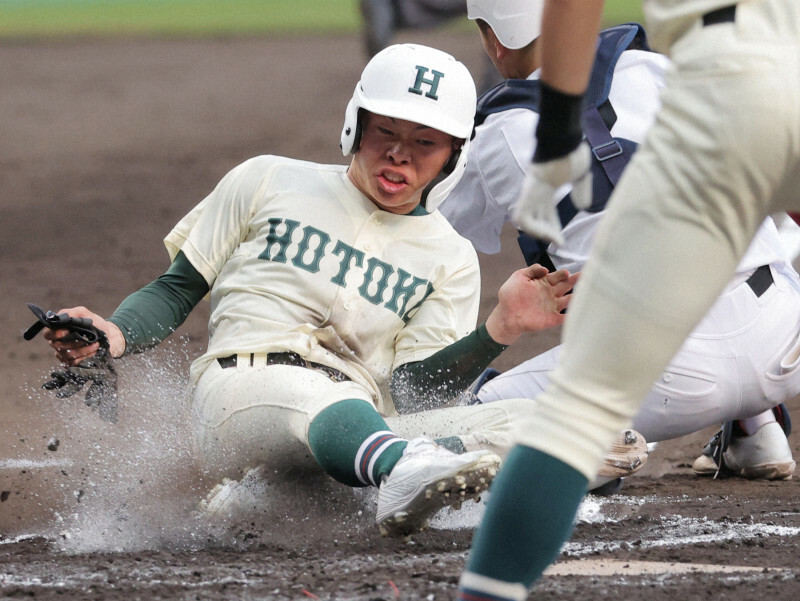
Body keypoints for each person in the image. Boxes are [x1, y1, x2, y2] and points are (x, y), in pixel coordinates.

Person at [38, 43, 591, 541]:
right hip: (241, 395)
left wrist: (501, 330)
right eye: (386, 132)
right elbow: (178, 286)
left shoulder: (450, 257)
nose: (400, 154)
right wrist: (114, 333)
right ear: (356, 124)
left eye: (424, 142)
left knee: (550, 427)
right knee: (325, 397)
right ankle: (395, 471)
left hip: (358, 435)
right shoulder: (268, 179)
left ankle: (269, 496)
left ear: (453, 153)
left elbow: (414, 388)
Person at [456, 0, 800, 598]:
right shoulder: (654, 67)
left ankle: (490, 584)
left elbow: (432, 239)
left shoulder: (500, 132)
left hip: (659, 365)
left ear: (493, 40)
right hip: (787, 323)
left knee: (476, 419)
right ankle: (756, 424)